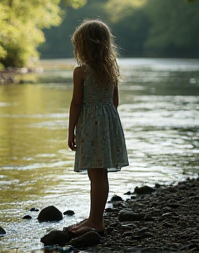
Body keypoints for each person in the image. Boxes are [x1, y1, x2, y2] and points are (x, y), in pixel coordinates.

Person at [67, 19, 129, 237]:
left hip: (91, 125)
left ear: (82, 46)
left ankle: (96, 222)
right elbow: (115, 102)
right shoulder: (111, 69)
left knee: (96, 175)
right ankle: (94, 218)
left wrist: (71, 130)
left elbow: (76, 103)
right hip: (109, 122)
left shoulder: (81, 72)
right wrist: (108, 123)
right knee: (99, 175)